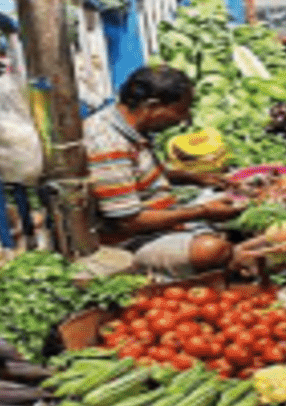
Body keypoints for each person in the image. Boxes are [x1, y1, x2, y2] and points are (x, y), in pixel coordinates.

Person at [84, 66, 253, 279]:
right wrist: (203, 212)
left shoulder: (131, 126)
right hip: (128, 239)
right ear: (153, 106)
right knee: (211, 250)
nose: (185, 118)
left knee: (242, 200)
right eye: (181, 110)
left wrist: (193, 178)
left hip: (165, 214)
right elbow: (128, 221)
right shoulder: (107, 145)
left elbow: (134, 176)